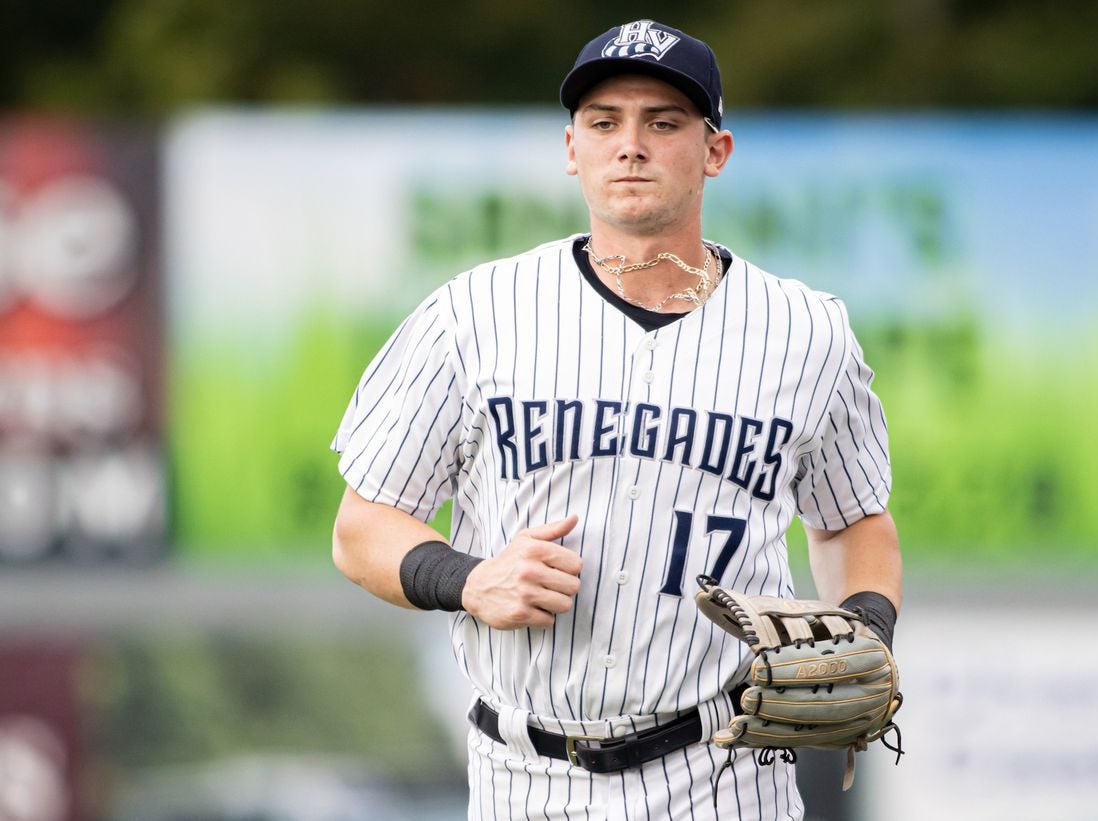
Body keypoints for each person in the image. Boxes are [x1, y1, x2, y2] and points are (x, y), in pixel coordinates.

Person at [331, 18, 902, 820]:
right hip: (523, 775)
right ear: (573, 148)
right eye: (605, 122)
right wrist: (469, 577)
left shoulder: (806, 331)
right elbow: (361, 527)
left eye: (663, 122)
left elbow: (852, 524)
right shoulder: (474, 314)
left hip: (723, 775)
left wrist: (868, 626)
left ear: (715, 152)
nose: (630, 144)